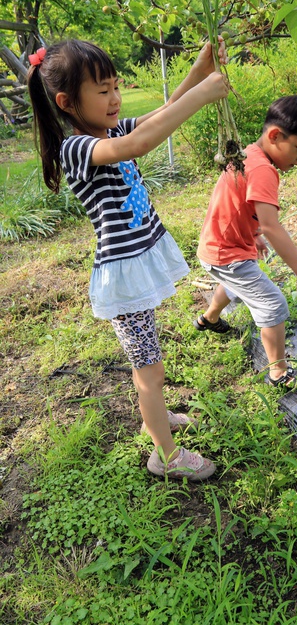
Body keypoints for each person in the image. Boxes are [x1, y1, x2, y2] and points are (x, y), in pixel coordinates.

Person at [27, 38, 229, 481]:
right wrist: (203, 95)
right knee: (149, 372)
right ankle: (166, 456)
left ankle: (153, 418)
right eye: (103, 90)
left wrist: (199, 69)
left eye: (116, 86)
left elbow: (161, 116)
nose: (115, 97)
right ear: (67, 102)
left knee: (150, 362)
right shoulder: (77, 148)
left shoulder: (110, 130)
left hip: (136, 265)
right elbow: (135, 146)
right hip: (123, 279)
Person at [194, 95, 297, 387]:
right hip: (226, 253)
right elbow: (272, 226)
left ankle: (209, 318)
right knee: (272, 303)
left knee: (233, 284)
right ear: (275, 135)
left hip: (218, 246)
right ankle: (279, 372)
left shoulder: (249, 154)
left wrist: (253, 234)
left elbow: (239, 201)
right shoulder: (264, 170)